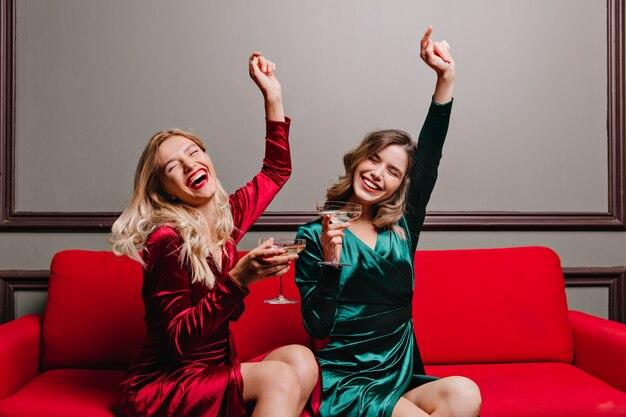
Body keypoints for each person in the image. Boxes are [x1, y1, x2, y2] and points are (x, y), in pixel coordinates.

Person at [111, 52, 319, 417]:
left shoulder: (227, 217)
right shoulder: (167, 239)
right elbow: (179, 343)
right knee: (280, 379)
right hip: (164, 384)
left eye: (194, 153)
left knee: (302, 360)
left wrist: (272, 95)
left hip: (213, 370)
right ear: (165, 190)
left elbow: (275, 171)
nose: (190, 164)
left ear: (207, 158)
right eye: (174, 166)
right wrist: (239, 279)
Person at [295, 27, 482, 417]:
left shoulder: (402, 228)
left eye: (393, 172)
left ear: (400, 187)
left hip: (399, 373)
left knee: (465, 393)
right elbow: (318, 328)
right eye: (375, 160)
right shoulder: (314, 235)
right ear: (358, 160)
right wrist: (331, 261)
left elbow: (429, 158)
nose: (379, 173)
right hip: (348, 379)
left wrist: (444, 79)